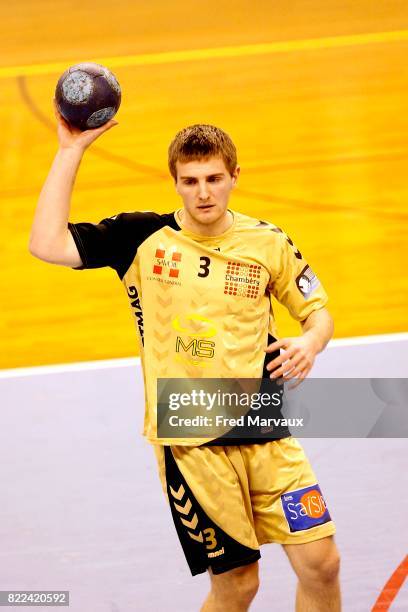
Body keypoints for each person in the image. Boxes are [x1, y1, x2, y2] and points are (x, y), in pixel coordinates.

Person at [29, 109, 341, 612]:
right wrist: (71, 152)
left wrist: (311, 342)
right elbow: (45, 243)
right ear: (174, 182)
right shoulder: (141, 239)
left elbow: (317, 311)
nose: (203, 193)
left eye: (215, 178)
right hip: (192, 436)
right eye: (191, 181)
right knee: (238, 584)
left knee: (322, 565)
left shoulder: (268, 241)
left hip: (266, 427)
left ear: (234, 177)